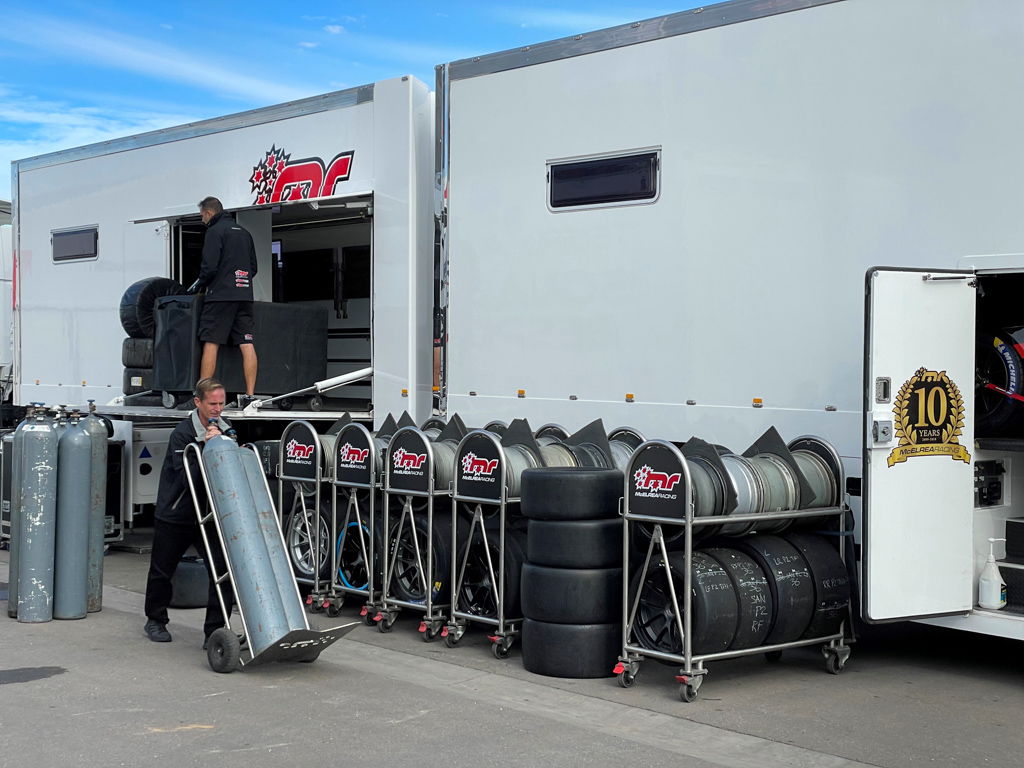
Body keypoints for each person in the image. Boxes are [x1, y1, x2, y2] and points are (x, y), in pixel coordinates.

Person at [143, 378, 237, 646]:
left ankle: (215, 632)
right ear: (198, 402)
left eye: (221, 403)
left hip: (209, 515)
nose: (218, 409)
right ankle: (155, 620)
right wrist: (207, 447)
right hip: (177, 513)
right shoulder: (182, 434)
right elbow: (189, 479)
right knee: (162, 570)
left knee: (222, 571)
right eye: (212, 404)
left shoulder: (228, 429)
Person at [189, 196, 259, 407]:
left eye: (202, 216)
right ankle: (250, 396)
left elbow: (209, 267)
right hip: (244, 295)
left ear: (209, 213)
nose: (202, 220)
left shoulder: (214, 232)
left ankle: (202, 396)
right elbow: (253, 268)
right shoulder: (245, 233)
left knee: (211, 341)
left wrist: (199, 284)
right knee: (246, 343)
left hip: (220, 296)